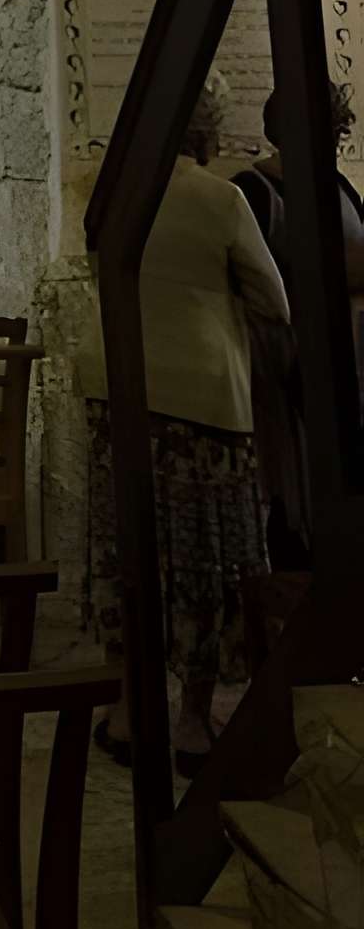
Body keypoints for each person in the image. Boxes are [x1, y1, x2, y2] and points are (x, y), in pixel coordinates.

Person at [77, 79, 289, 776]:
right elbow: (273, 301)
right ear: (210, 131)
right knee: (205, 563)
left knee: (128, 554)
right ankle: (194, 721)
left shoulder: (114, 190)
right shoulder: (219, 198)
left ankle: (128, 709)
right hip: (203, 401)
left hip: (119, 387)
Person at [231, 79, 364, 562]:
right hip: (284, 367)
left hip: (344, 363)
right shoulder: (253, 191)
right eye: (327, 128)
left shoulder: (339, 185)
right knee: (291, 491)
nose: (333, 139)